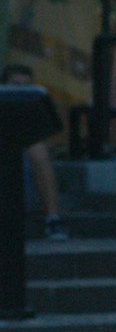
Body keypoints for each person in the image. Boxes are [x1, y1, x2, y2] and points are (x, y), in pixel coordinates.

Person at [2, 64, 67, 241]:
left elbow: (54, 138)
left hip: (25, 186)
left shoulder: (37, 108)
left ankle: (53, 220)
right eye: (15, 85)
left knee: (37, 149)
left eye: (26, 85)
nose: (21, 90)